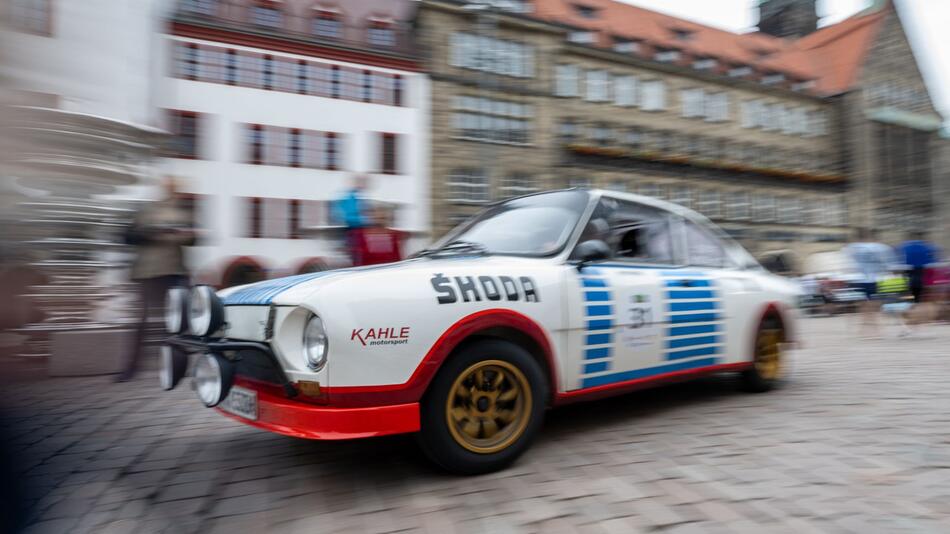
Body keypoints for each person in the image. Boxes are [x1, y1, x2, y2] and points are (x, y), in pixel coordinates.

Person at [119, 177, 195, 382]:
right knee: (142, 323)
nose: (173, 190)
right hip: (147, 272)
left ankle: (175, 366)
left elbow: (194, 239)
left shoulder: (183, 212)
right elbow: (127, 236)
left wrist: (187, 234)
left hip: (174, 272)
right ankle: (131, 368)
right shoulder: (146, 211)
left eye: (175, 187)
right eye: (170, 187)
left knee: (178, 322)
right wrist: (154, 232)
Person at [843, 228, 897, 336]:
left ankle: (863, 330)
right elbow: (888, 265)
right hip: (877, 279)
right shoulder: (882, 248)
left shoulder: (852, 248)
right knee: (876, 305)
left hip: (860, 279)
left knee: (863, 306)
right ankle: (878, 329)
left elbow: (849, 264)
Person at [336, 174, 369, 265]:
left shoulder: (357, 197)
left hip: (356, 227)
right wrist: (365, 221)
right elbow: (350, 215)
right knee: (355, 252)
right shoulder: (351, 197)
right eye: (362, 183)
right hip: (353, 228)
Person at [898, 230, 940, 303]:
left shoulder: (904, 247)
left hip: (910, 277)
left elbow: (901, 262)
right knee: (924, 298)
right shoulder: (928, 247)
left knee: (912, 298)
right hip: (925, 277)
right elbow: (933, 262)